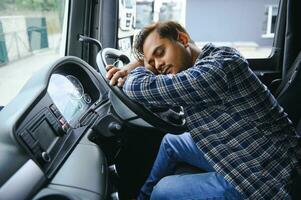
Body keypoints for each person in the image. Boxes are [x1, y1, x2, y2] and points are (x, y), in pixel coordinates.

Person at [106, 21, 300, 199]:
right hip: (246, 150)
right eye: (152, 62)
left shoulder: (220, 66)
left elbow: (139, 88)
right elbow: (164, 90)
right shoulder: (195, 69)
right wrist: (139, 65)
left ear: (182, 39)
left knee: (162, 190)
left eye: (160, 52)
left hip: (266, 177)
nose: (157, 65)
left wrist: (134, 68)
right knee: (171, 142)